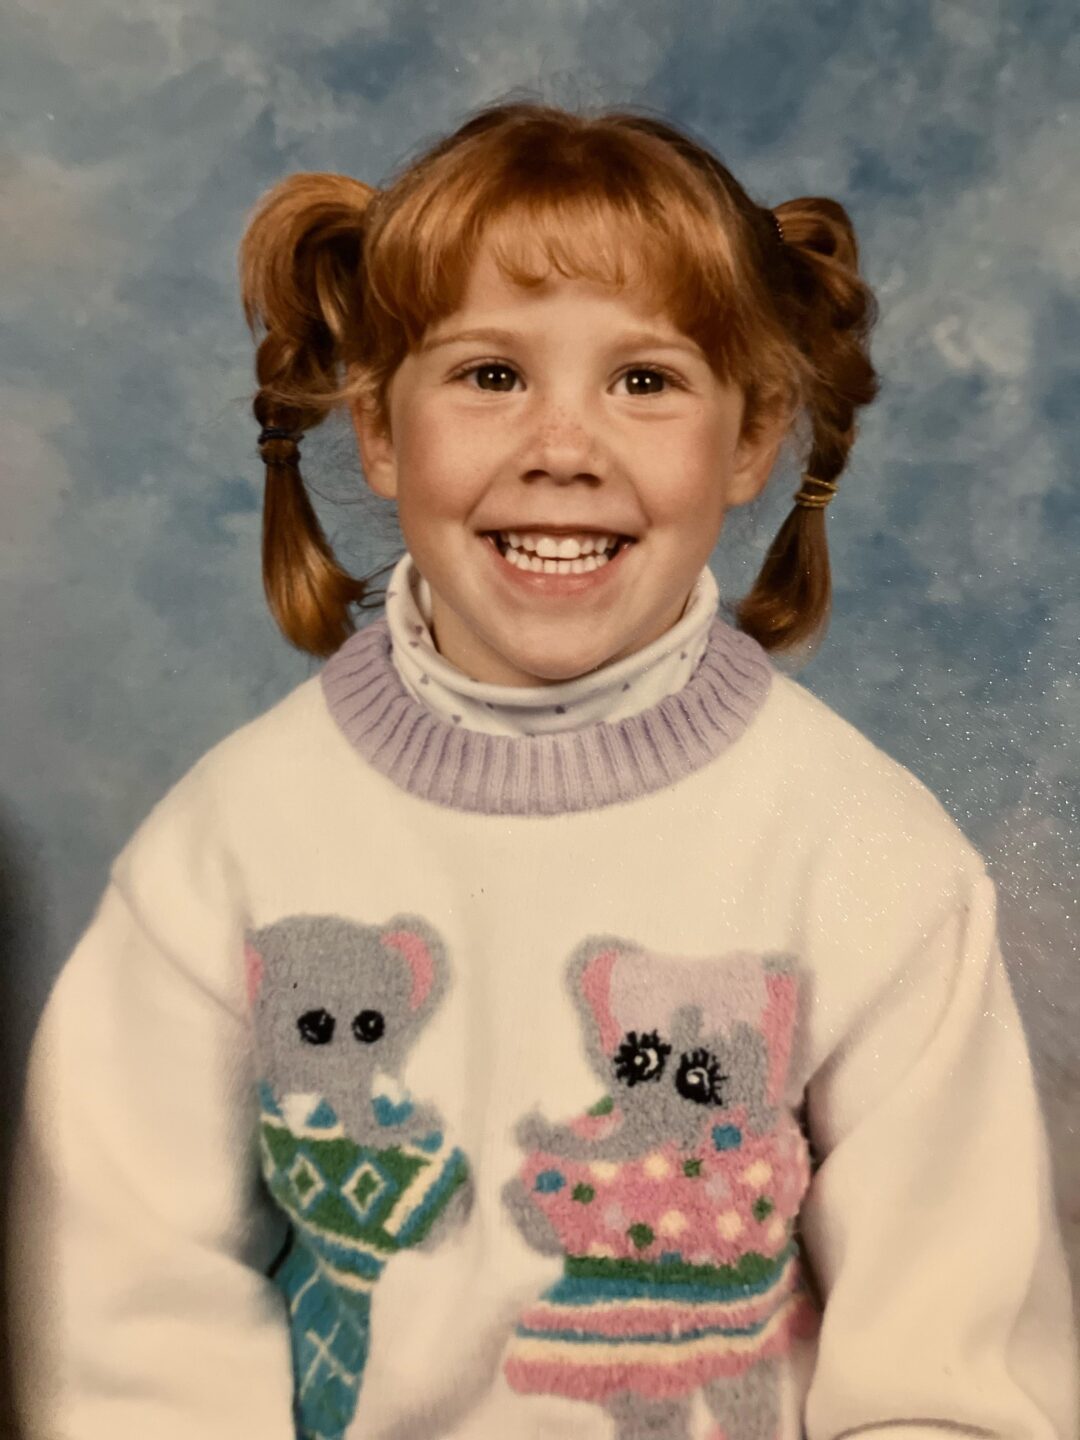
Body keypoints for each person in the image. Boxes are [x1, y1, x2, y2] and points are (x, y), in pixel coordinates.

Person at [6, 100, 1076, 1440]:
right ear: (379, 431)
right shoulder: (224, 850)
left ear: (751, 440)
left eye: (645, 382)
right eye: (491, 376)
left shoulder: (868, 855)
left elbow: (951, 1367)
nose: (563, 449)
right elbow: (124, 1325)